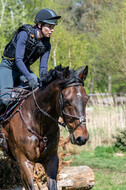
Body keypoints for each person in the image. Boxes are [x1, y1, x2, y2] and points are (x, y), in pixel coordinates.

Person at [0, 8, 61, 114]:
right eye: (50, 27)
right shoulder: (24, 34)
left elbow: (43, 68)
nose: (52, 30)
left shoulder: (46, 44)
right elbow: (18, 60)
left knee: (39, 92)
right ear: (40, 25)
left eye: (53, 27)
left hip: (23, 70)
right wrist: (29, 78)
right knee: (5, 100)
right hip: (9, 67)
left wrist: (44, 80)